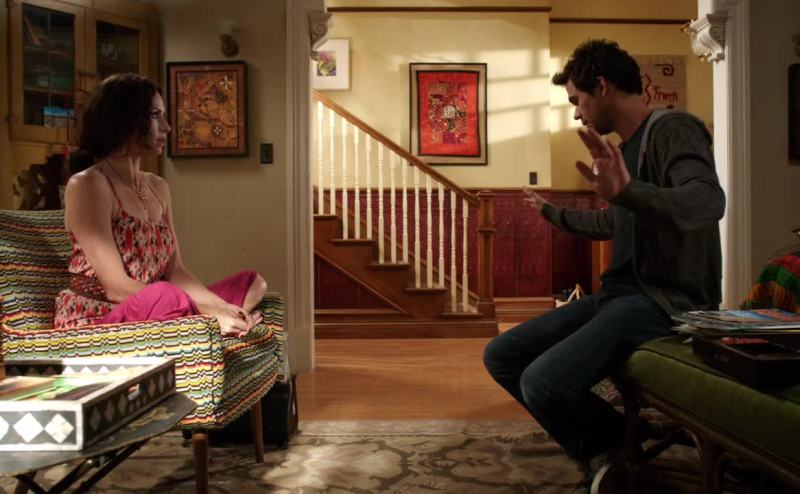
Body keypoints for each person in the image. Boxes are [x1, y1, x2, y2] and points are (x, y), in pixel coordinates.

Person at [483, 39, 725, 486]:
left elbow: (707, 202)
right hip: (619, 296)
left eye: (577, 100)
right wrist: (550, 212)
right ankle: (614, 441)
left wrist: (629, 192)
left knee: (542, 381)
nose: (577, 114)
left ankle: (607, 452)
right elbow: (612, 222)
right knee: (501, 355)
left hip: (664, 302)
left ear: (602, 86)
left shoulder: (674, 128)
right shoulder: (624, 150)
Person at [54, 73, 266, 337]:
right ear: (125, 121)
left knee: (252, 283)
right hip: (100, 317)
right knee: (165, 294)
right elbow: (115, 287)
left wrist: (225, 309)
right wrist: (208, 314)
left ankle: (215, 323)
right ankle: (204, 325)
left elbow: (175, 271)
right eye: (155, 115)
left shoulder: (158, 187)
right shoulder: (88, 185)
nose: (167, 127)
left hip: (159, 307)